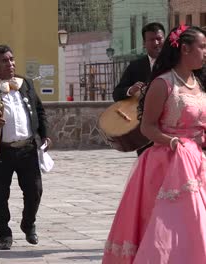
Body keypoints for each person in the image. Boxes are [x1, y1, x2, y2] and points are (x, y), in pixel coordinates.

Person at [102, 25, 206, 263]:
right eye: (202, 46)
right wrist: (173, 142)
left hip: (197, 162)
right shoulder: (163, 84)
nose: (205, 52)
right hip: (167, 164)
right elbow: (148, 126)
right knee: (170, 222)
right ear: (185, 49)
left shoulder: (197, 83)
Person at [0, 45, 51, 250]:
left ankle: (28, 223)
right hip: (0, 150)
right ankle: (4, 234)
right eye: (5, 61)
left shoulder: (25, 84)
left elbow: (39, 111)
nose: (10, 64)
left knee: (35, 190)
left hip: (28, 148)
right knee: (0, 195)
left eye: (12, 59)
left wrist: (45, 135)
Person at [113, 22, 165, 155]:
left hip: (168, 129)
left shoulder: (175, 64)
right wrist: (131, 90)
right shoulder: (135, 66)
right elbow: (117, 93)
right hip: (144, 132)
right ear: (144, 43)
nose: (156, 43)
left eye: (159, 39)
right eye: (151, 40)